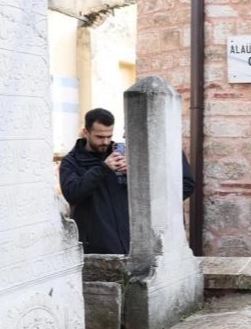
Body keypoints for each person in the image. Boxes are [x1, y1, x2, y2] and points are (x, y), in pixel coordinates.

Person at [59, 108, 194, 254]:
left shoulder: (122, 153)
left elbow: (144, 195)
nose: (105, 142)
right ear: (86, 132)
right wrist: (103, 168)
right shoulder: (71, 162)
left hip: (130, 241)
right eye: (100, 137)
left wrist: (133, 174)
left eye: (109, 136)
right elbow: (72, 194)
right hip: (96, 244)